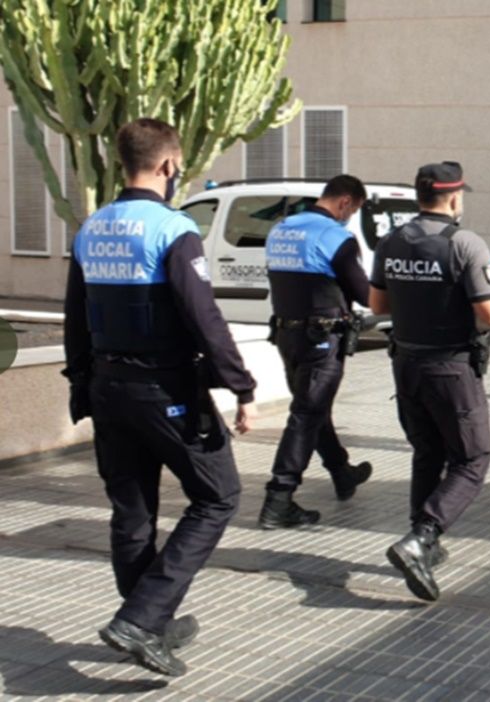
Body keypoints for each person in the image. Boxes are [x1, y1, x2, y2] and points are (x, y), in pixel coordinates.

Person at [62, 118, 257, 676]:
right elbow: (204, 317)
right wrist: (240, 385)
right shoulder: (172, 229)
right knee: (218, 497)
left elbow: (76, 320)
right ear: (169, 165)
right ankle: (142, 619)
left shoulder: (91, 227)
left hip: (107, 388)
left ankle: (150, 623)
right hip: (164, 389)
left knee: (132, 512)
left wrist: (84, 387)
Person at [369, 161, 490, 602]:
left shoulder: (391, 241)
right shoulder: (465, 243)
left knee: (428, 450)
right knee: (473, 458)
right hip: (451, 369)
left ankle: (423, 542)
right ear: (455, 198)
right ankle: (422, 538)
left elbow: (378, 304)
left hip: (406, 365)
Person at [258, 175, 373, 529]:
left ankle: (342, 472)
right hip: (321, 339)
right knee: (306, 414)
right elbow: (365, 295)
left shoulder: (282, 228)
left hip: (286, 335)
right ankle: (279, 498)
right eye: (353, 210)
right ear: (345, 203)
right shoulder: (336, 238)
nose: (350, 216)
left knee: (313, 408)